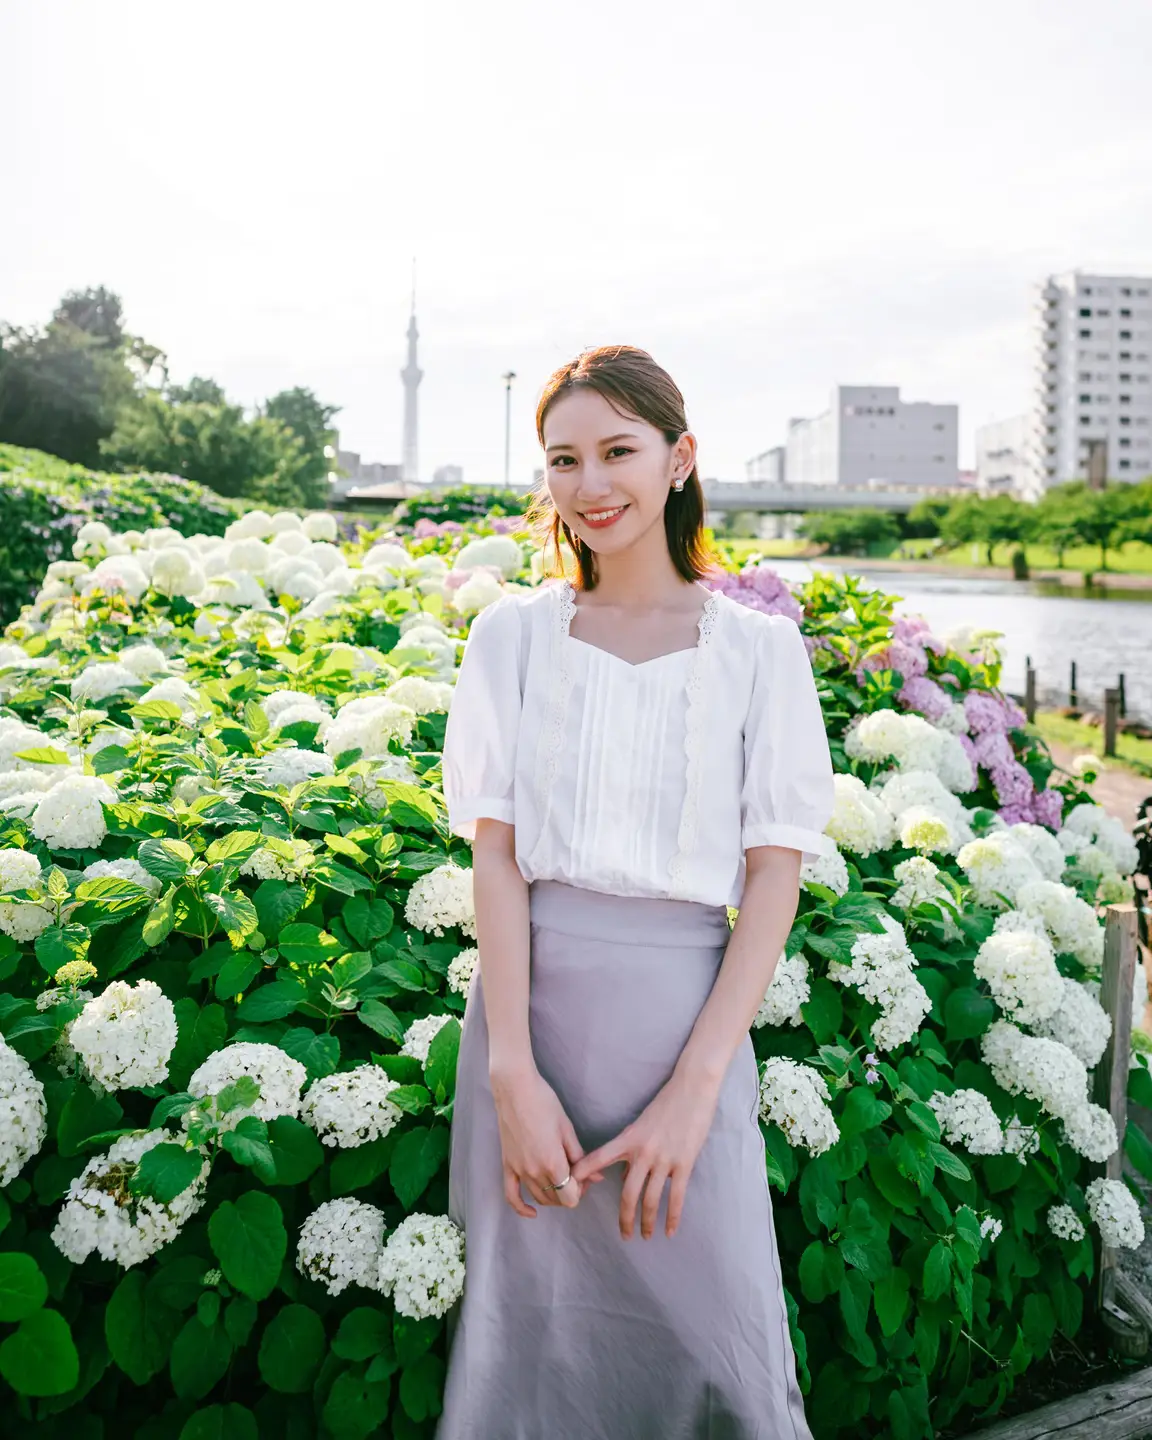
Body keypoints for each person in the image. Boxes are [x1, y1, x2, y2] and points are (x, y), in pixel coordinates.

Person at [435, 344, 836, 1439]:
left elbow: (774, 875)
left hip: (685, 1038)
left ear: (679, 458)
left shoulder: (759, 651)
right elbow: (497, 857)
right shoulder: (513, 636)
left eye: (618, 450)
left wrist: (698, 1087)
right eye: (563, 459)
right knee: (532, 1348)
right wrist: (511, 1071)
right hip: (531, 1034)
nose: (590, 484)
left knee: (727, 1358)